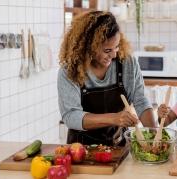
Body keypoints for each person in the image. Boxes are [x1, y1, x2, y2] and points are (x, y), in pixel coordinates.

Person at [57, 11, 155, 146]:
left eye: (116, 47)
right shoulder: (70, 71)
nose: (114, 55)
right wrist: (114, 118)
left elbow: (141, 101)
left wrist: (155, 136)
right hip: (80, 148)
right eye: (107, 50)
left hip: (117, 144)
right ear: (89, 47)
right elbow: (71, 116)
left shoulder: (127, 63)